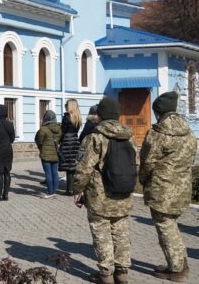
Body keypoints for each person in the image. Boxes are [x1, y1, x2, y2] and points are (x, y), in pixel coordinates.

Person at [72, 97, 139, 284]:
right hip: (124, 194)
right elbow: (136, 164)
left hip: (100, 196)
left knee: (102, 234)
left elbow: (84, 168)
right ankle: (122, 273)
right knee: (121, 232)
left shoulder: (95, 137)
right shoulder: (130, 137)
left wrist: (77, 190)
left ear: (100, 115)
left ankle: (106, 275)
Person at [139, 91, 197, 282]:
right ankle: (180, 260)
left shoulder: (158, 133)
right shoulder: (188, 132)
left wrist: (143, 179)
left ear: (159, 112)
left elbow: (147, 162)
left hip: (162, 189)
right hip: (182, 187)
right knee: (171, 224)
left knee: (165, 226)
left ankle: (176, 269)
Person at [35, 110, 62, 199]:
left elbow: (39, 140)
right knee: (55, 173)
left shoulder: (43, 129)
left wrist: (40, 147)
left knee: (48, 173)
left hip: (45, 154)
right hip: (55, 154)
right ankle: (54, 192)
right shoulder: (59, 129)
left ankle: (50, 192)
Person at [60, 99, 82, 196]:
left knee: (68, 167)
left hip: (67, 142)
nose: (65, 106)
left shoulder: (66, 117)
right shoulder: (78, 117)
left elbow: (63, 130)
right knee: (73, 166)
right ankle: (73, 189)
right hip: (75, 141)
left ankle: (69, 190)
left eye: (66, 105)